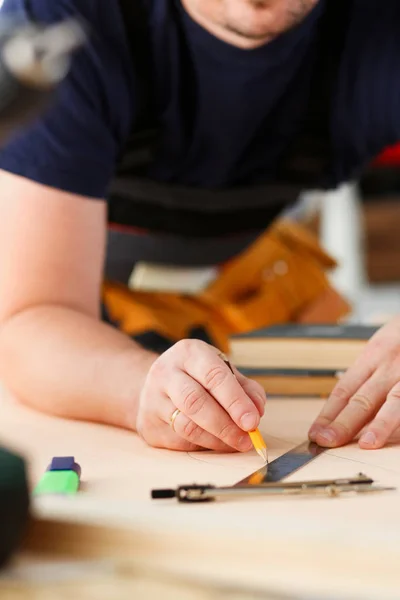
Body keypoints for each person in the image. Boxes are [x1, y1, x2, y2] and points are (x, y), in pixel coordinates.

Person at [1, 0, 400, 456]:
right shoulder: (56, 31)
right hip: (82, 330)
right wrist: (136, 389)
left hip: (247, 289)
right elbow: (31, 320)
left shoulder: (379, 22)